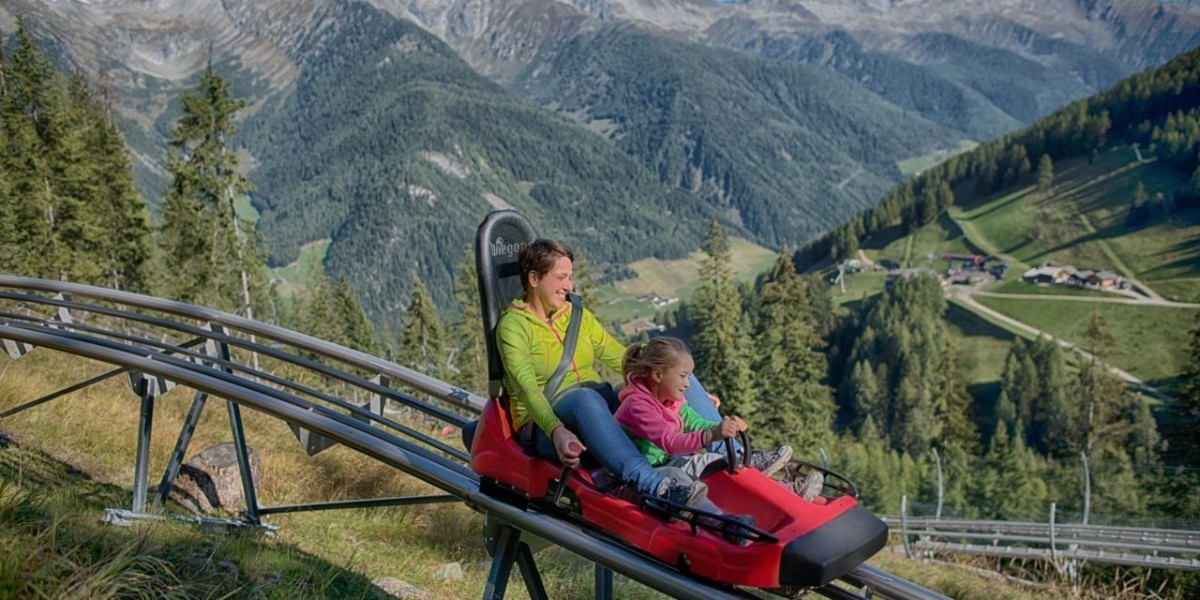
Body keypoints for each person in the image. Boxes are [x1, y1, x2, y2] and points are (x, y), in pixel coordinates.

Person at [496, 239, 707, 507]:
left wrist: (665, 375)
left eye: (570, 277)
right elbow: (526, 388)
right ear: (534, 278)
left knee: (674, 369)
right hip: (543, 424)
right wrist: (557, 431)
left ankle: (731, 451)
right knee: (585, 398)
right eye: (561, 277)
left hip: (593, 406)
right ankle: (655, 485)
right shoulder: (513, 327)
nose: (568, 285)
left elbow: (619, 355)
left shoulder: (574, 315)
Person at [614, 337, 824, 502]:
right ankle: (775, 484)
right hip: (649, 473)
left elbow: (696, 422)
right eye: (682, 376)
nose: (687, 383)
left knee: (719, 464)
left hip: (667, 461)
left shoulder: (671, 400)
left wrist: (725, 427)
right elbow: (669, 443)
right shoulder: (638, 405)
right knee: (712, 463)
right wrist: (711, 435)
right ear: (658, 375)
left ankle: (781, 487)